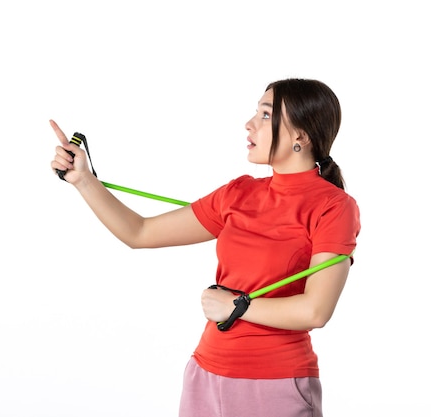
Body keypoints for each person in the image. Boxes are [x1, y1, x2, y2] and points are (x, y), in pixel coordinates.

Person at [49, 78, 360, 417]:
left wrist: (236, 306)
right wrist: (82, 180)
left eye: (266, 114)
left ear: (300, 136)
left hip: (275, 383)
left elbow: (315, 311)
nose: (250, 123)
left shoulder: (335, 206)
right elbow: (140, 232)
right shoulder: (239, 192)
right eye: (256, 112)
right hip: (206, 375)